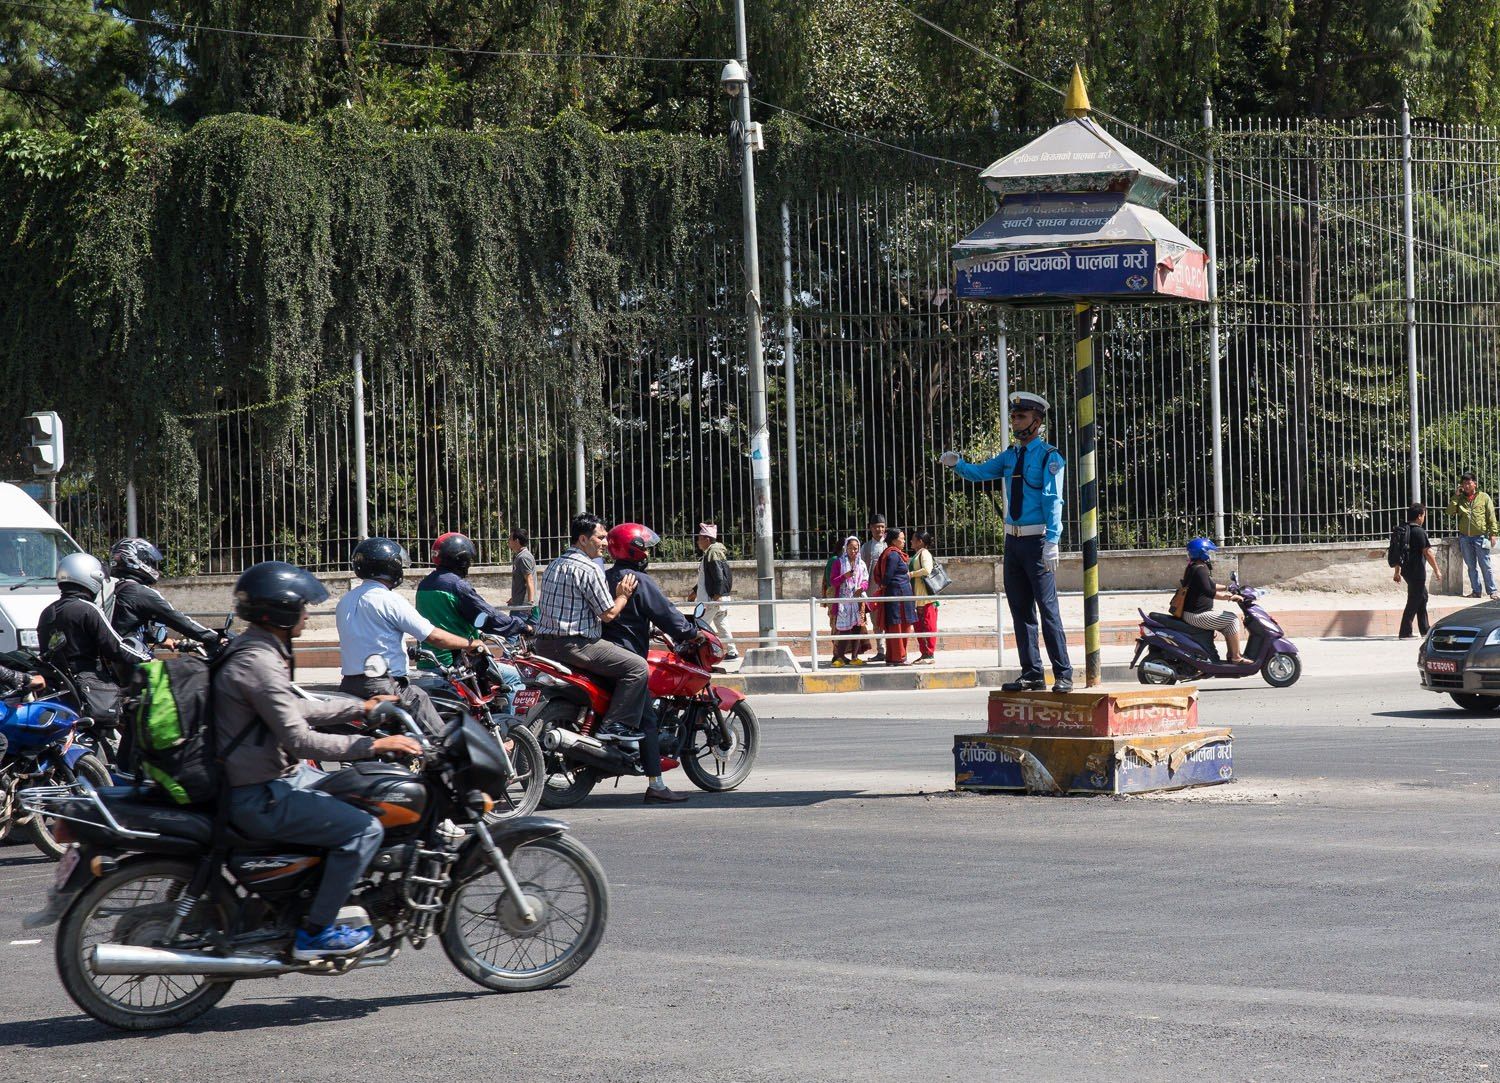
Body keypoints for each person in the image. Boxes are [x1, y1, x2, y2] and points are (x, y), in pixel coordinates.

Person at [216, 561, 422, 960]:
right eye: (302, 607)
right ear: (280, 611)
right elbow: (299, 738)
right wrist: (371, 747)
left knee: (354, 791)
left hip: (272, 781)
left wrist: (359, 707)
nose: (307, 614)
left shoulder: (255, 649)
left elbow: (295, 709)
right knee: (363, 829)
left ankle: (316, 897)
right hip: (260, 793)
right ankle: (316, 930)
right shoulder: (257, 662)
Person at [942, 390, 1074, 693]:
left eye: (1021, 416)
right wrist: (957, 464)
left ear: (1037, 421)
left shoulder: (1050, 457)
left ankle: (1064, 673)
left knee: (1047, 609)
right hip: (1012, 544)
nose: (1015, 421)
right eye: (1014, 416)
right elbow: (979, 473)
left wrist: (1053, 540)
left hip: (1037, 541)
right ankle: (1032, 673)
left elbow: (1054, 500)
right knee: (1020, 610)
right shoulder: (1010, 456)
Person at [335, 537, 487, 736]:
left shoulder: (345, 601)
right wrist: (469, 643)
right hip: (384, 686)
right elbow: (433, 637)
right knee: (437, 737)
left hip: (349, 685)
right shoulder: (389, 600)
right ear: (390, 566)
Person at [600, 522, 697, 804]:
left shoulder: (605, 577)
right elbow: (667, 614)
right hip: (627, 656)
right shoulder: (638, 581)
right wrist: (692, 633)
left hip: (603, 654)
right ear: (636, 550)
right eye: (644, 548)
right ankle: (656, 783)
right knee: (648, 718)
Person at [533, 513, 647, 741]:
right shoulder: (589, 568)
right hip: (576, 646)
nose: (605, 543)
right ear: (583, 540)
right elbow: (608, 614)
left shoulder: (554, 564)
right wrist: (623, 595)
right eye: (600, 538)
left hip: (543, 646)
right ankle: (614, 726)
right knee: (638, 668)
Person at [415, 532, 530, 712]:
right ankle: (510, 731)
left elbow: (453, 616)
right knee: (513, 677)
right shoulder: (457, 586)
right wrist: (523, 626)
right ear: (462, 560)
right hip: (458, 662)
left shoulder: (425, 584)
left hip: (429, 660)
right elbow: (489, 615)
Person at [37, 553, 150, 722]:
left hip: (59, 687)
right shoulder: (87, 609)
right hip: (89, 689)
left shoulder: (48, 612)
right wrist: (145, 658)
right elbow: (115, 646)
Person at [106, 537, 223, 654]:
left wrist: (166, 640)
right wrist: (215, 637)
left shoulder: (114, 588)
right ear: (135, 561)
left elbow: (125, 625)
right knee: (191, 669)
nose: (153, 566)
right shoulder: (140, 592)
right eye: (149, 562)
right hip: (131, 661)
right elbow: (176, 619)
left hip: (113, 659)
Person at [1179, 537, 1249, 663]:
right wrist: (1230, 597)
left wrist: (1228, 587)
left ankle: (1231, 655)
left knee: (1228, 622)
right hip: (1197, 615)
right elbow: (1209, 592)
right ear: (1202, 553)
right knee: (1232, 620)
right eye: (1208, 552)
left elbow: (1209, 585)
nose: (1210, 555)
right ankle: (1236, 657)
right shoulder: (1200, 569)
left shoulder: (1195, 566)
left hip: (1193, 613)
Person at [1448, 472, 1499, 600]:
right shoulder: (1459, 498)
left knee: (1485, 565)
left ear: (1475, 484)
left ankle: (1492, 591)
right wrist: (1456, 496)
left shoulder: (1484, 497)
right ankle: (1476, 591)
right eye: (1464, 483)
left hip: (1481, 537)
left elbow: (1491, 516)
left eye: (1468, 483)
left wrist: (1493, 533)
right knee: (1471, 566)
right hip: (1465, 537)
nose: (1466, 485)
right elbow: (1449, 511)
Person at [690, 523, 738, 660]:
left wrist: (716, 596)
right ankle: (732, 651)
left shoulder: (712, 553)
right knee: (722, 624)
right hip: (717, 598)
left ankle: (697, 653)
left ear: (707, 539)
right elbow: (705, 578)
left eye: (700, 538)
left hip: (712, 599)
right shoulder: (711, 553)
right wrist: (694, 591)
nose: (698, 542)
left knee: (700, 624)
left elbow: (718, 576)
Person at [1393, 502, 1441, 639]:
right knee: (1414, 600)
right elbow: (1427, 552)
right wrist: (1437, 570)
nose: (1424, 518)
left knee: (1422, 597)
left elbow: (1398, 553)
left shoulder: (1403, 529)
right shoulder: (1419, 531)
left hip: (1407, 571)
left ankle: (1425, 629)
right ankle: (1405, 632)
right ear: (1419, 516)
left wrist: (1397, 572)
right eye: (1424, 515)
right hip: (1417, 571)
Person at [828, 536, 870, 667]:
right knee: (844, 629)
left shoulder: (861, 564)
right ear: (846, 548)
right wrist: (844, 576)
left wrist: (861, 588)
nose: (853, 551)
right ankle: (839, 657)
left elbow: (865, 580)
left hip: (857, 600)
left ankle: (854, 657)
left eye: (856, 549)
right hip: (843, 600)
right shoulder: (839, 563)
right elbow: (832, 581)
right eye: (851, 548)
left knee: (857, 627)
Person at [877, 528, 915, 666]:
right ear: (893, 540)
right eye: (902, 538)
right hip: (898, 596)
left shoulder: (892, 553)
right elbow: (888, 575)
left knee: (896, 626)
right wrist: (883, 586)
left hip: (898, 595)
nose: (904, 541)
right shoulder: (893, 555)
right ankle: (899, 657)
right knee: (899, 626)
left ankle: (893, 657)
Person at [860, 516, 890, 662]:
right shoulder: (865, 547)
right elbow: (861, 569)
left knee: (890, 619)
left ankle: (893, 650)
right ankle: (881, 650)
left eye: (882, 526)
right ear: (871, 528)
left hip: (889, 589)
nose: (880, 529)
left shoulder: (890, 545)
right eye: (877, 526)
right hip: (872, 589)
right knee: (876, 620)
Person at [909, 530, 939, 664]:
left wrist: (912, 574)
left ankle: (929, 654)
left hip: (925, 597)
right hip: (919, 596)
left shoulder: (925, 554)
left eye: (913, 539)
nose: (911, 541)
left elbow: (927, 570)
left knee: (928, 625)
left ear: (920, 541)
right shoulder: (918, 554)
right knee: (920, 626)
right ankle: (924, 653)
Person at [507, 528, 537, 613]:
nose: (508, 540)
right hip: (518, 604)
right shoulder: (520, 556)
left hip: (523, 607)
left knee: (522, 626)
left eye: (510, 538)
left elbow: (529, 579)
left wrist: (530, 604)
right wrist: (514, 598)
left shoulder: (524, 557)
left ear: (516, 541)